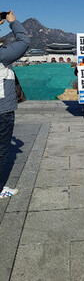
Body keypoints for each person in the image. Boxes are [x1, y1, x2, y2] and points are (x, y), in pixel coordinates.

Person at [0, 11, 29, 199]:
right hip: (2, 109)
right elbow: (24, 42)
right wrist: (12, 22)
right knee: (2, 151)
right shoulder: (2, 54)